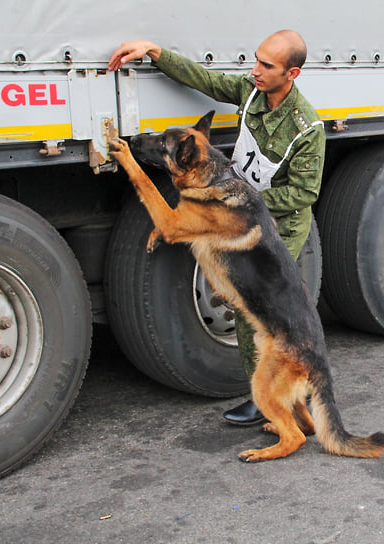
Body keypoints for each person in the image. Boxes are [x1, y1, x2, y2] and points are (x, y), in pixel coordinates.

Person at [109, 30, 326, 426]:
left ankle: (287, 399)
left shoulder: (306, 128)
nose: (255, 70)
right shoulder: (252, 92)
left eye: (266, 65)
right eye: (256, 60)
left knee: (273, 315)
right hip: (233, 213)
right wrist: (155, 52)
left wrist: (241, 198)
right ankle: (272, 396)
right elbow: (205, 79)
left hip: (276, 227)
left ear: (291, 73)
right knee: (247, 312)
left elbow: (304, 192)